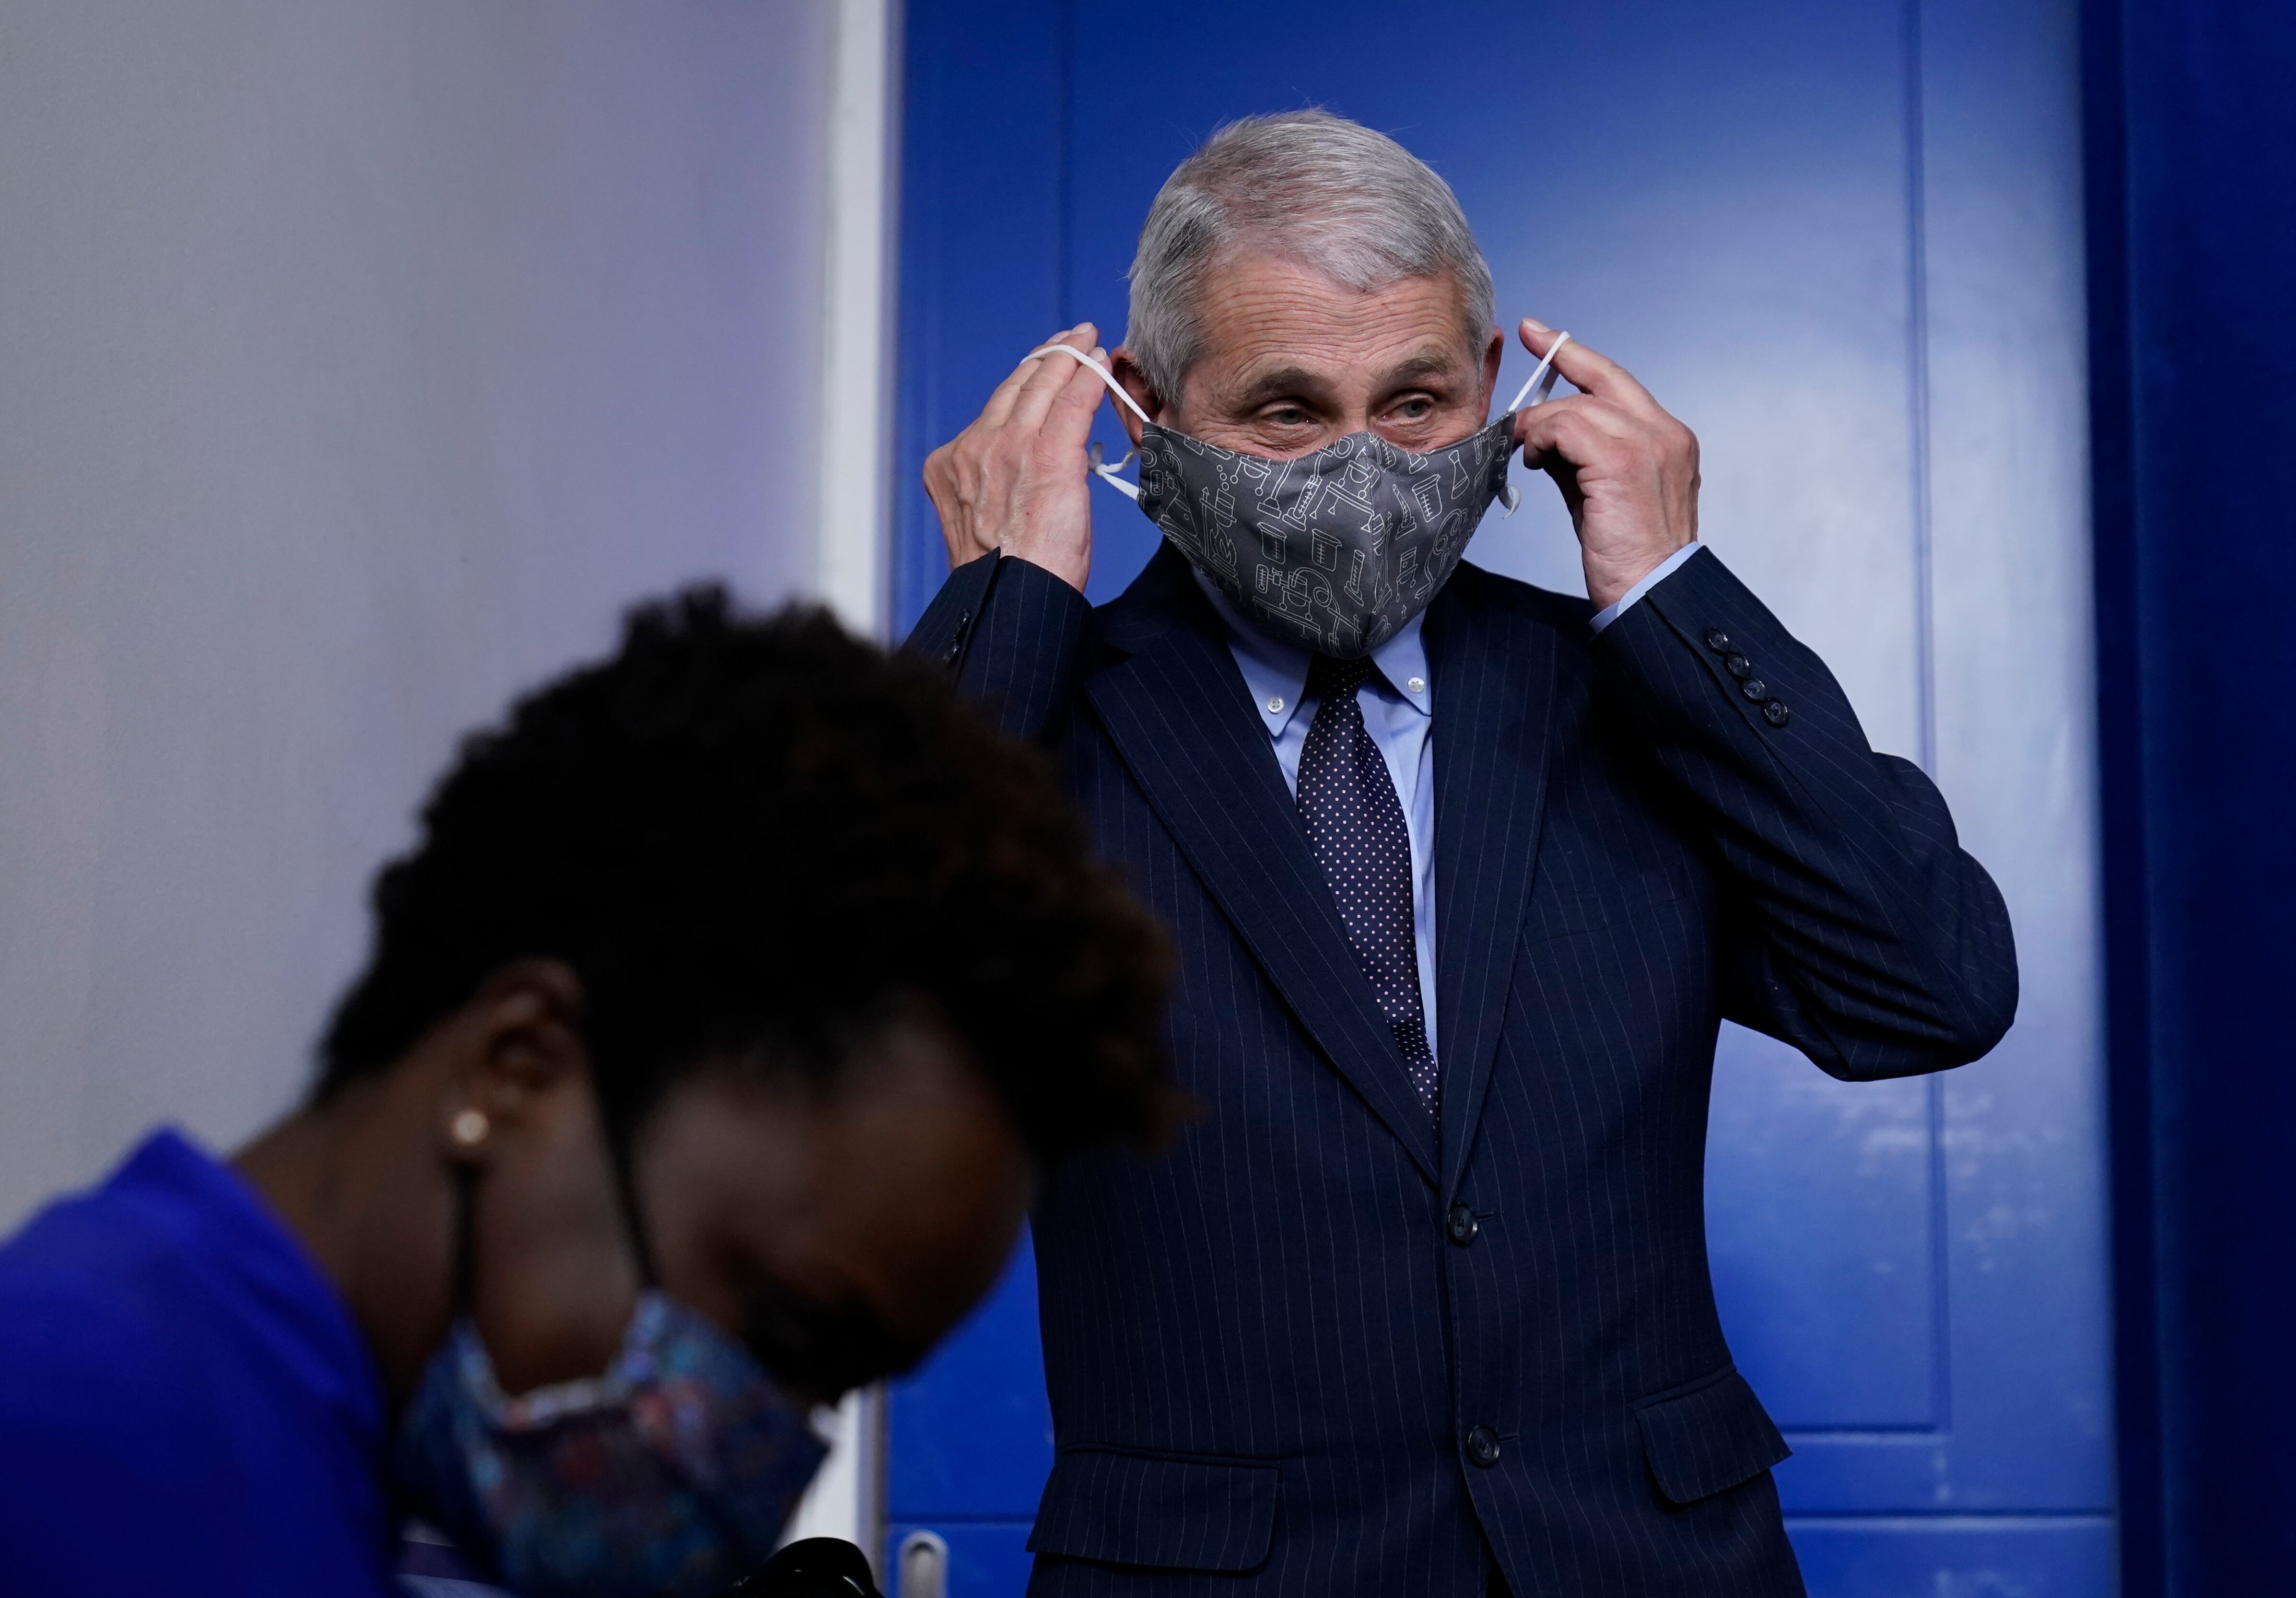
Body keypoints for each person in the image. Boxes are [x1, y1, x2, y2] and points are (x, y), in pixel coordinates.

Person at [911, 111, 2018, 1596]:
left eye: (1419, 399)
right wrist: (1002, 604)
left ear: (1498, 383)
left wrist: (1676, 591)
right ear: (1143, 404)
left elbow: (1930, 988)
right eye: (1288, 410)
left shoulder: (1631, 696)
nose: (1365, 467)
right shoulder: (1031, 732)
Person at [0, 589, 1178, 1598]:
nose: (759, 1462)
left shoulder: (296, 1458)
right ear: (515, 1070)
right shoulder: (76, 1435)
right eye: (779, 1332)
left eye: (824, 1391)